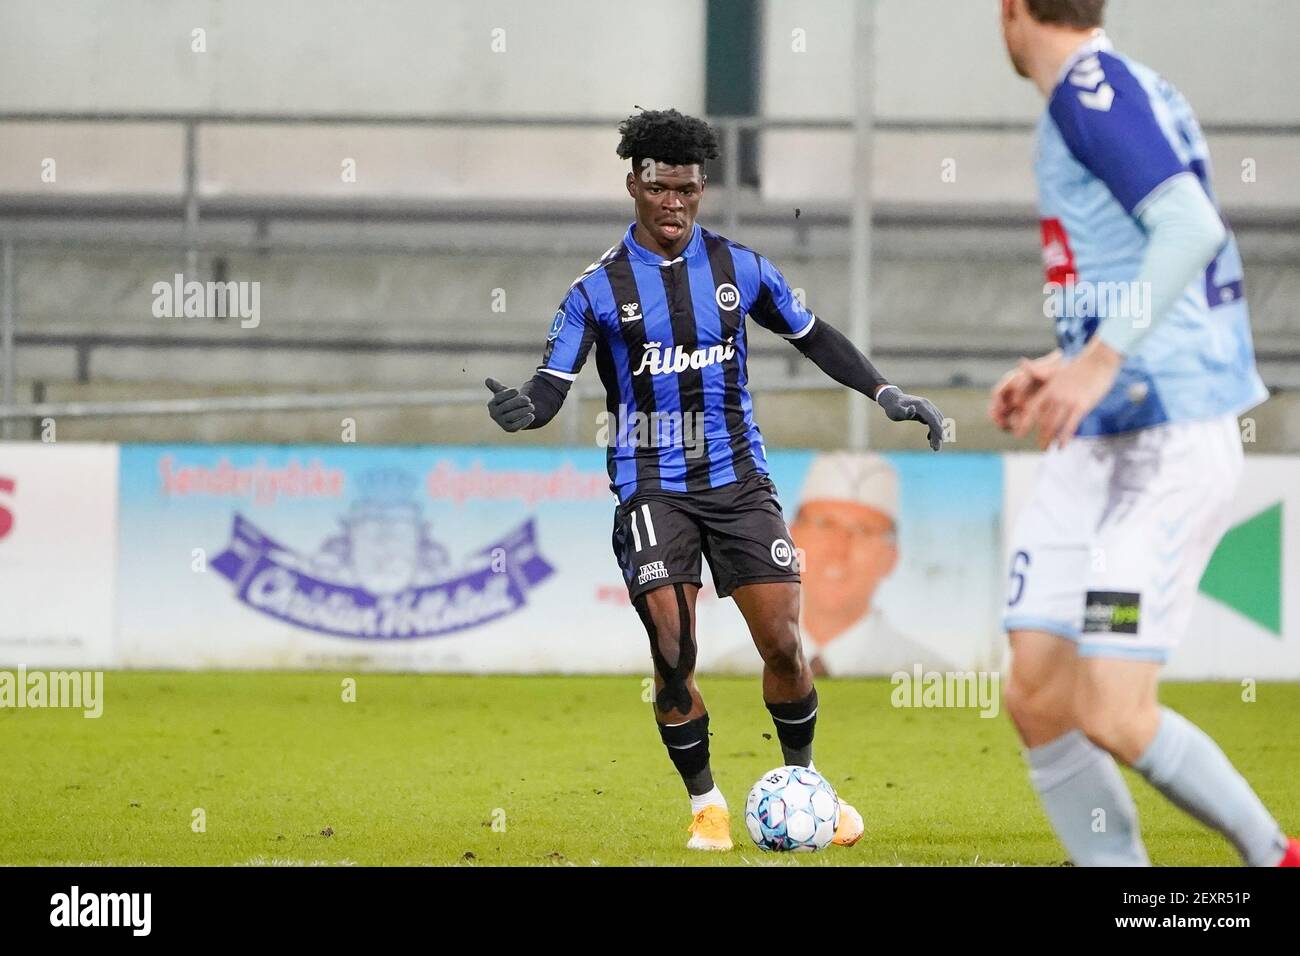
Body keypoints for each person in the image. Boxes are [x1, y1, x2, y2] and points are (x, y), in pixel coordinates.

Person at [484, 108, 944, 850]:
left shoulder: (741, 268)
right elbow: (550, 385)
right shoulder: (596, 289)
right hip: (650, 485)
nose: (675, 204)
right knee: (673, 652)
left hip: (737, 480)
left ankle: (806, 788)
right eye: (661, 189)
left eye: (689, 191)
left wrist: (886, 393)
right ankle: (706, 803)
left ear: (703, 189)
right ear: (634, 184)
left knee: (787, 646)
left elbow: (815, 335)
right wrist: (523, 411)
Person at [992, 0, 1297, 866]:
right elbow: (1138, 264)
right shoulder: (1103, 91)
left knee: (1114, 711)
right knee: (1039, 695)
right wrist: (1071, 362)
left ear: (1012, 10)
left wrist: (1096, 364)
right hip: (1104, 434)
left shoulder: (1092, 90)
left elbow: (1192, 227)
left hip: (1167, 441)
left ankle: (1275, 858)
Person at [709, 452, 957, 676]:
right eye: (824, 524)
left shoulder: (924, 671)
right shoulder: (737, 664)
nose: (838, 549)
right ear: (791, 536)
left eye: (863, 531)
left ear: (891, 556)